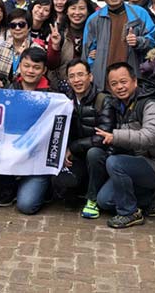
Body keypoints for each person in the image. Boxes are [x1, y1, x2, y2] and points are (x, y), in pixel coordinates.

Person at [94, 63, 155, 228]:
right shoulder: (117, 105)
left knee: (115, 163)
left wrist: (116, 137)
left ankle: (130, 213)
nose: (119, 87)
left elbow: (151, 136)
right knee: (105, 201)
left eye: (123, 81)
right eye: (114, 84)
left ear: (135, 81)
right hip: (139, 163)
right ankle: (151, 194)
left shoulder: (151, 104)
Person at [0, 47, 55, 214]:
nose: (30, 71)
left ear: (44, 70)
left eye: (36, 67)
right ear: (19, 66)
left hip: (38, 159)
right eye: (26, 66)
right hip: (11, 153)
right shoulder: (10, 90)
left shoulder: (54, 94)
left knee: (26, 205)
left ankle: (44, 187)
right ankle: (10, 187)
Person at [53, 59, 114, 219]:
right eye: (72, 76)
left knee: (94, 153)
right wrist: (63, 149)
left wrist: (72, 148)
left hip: (100, 155)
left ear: (90, 76)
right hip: (77, 156)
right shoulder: (64, 100)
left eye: (80, 74)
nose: (76, 80)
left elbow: (103, 136)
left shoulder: (103, 100)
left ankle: (92, 199)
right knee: (65, 189)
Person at [82, 0, 155, 87]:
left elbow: (152, 42)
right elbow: (87, 53)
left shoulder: (139, 14)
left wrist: (138, 41)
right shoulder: (94, 20)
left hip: (134, 82)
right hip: (103, 83)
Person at [0, 9, 60, 88]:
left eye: (21, 25)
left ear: (29, 27)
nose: (17, 28)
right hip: (3, 91)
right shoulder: (2, 47)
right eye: (13, 25)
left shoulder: (37, 49)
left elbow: (36, 75)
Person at [48, 0, 90, 88]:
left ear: (88, 11)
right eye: (73, 8)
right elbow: (51, 65)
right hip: (61, 86)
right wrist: (55, 46)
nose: (77, 12)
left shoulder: (93, 33)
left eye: (82, 8)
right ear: (66, 11)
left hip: (86, 86)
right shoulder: (58, 32)